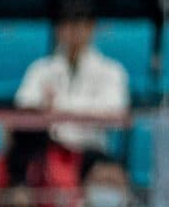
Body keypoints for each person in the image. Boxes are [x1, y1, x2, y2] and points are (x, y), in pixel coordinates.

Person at [16, 9, 132, 179]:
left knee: (106, 175)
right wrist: (88, 107)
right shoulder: (40, 69)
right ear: (58, 29)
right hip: (48, 152)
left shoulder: (112, 70)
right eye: (67, 25)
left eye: (79, 25)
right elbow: (24, 105)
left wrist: (56, 105)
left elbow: (114, 110)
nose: (73, 32)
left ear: (91, 28)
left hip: (91, 151)